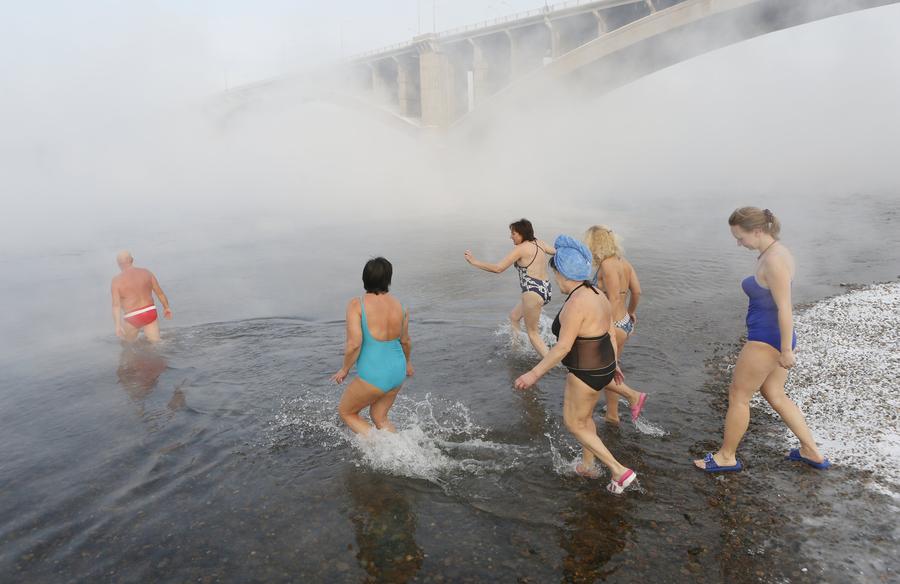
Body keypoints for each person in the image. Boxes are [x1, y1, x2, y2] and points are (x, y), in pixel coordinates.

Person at [694, 207, 830, 472]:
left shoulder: (774, 261)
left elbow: (785, 307)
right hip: (773, 337)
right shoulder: (775, 252)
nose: (738, 243)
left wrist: (786, 349)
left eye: (740, 237)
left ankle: (726, 457)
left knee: (739, 396)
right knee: (774, 393)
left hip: (766, 339)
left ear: (757, 231)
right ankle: (810, 451)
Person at [514, 235, 638, 494]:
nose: (555, 278)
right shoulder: (597, 294)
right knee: (586, 419)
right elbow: (611, 333)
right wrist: (613, 364)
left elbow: (562, 347)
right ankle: (588, 465)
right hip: (603, 363)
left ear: (563, 273)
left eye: (555, 272)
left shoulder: (576, 303)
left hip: (585, 371)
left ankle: (618, 470)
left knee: (574, 423)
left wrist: (533, 374)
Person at [332, 257, 413, 435]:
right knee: (379, 417)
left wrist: (344, 369)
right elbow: (405, 341)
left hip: (374, 374)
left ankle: (381, 449)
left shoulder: (356, 304)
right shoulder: (401, 306)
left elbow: (354, 344)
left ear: (365, 278)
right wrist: (408, 364)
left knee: (347, 412)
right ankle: (400, 451)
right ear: (388, 279)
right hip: (397, 371)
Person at [583, 226, 647, 426]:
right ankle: (612, 415)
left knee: (594, 371)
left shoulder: (607, 265)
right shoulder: (624, 263)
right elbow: (637, 292)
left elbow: (612, 300)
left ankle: (633, 396)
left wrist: (603, 327)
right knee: (612, 370)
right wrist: (631, 312)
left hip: (612, 326)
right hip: (624, 324)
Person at [465, 219, 556, 358]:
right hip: (545, 289)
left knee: (533, 334)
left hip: (532, 292)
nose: (511, 237)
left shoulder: (520, 249)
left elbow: (498, 268)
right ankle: (517, 348)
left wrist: (474, 262)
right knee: (514, 317)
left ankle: (552, 363)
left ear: (521, 234)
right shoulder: (540, 243)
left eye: (513, 233)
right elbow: (557, 252)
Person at [110, 250, 172, 343]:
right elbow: (160, 293)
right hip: (149, 311)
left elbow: (116, 305)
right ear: (132, 260)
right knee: (156, 344)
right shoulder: (146, 273)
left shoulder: (116, 281)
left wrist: (118, 326)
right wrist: (166, 308)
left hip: (132, 315)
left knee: (127, 346)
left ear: (118, 264)